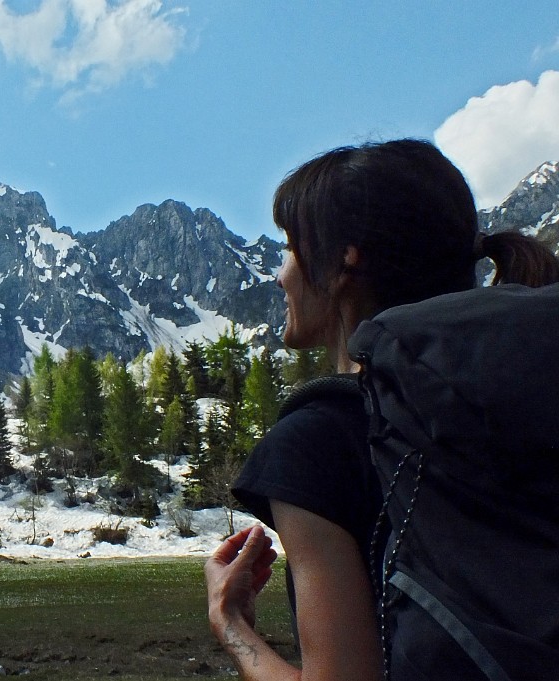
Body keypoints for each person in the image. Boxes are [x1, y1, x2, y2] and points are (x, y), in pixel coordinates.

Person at [203, 138, 559, 681]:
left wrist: (231, 626)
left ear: (346, 259)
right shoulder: (522, 396)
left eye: (291, 247)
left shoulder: (315, 441)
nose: (279, 274)